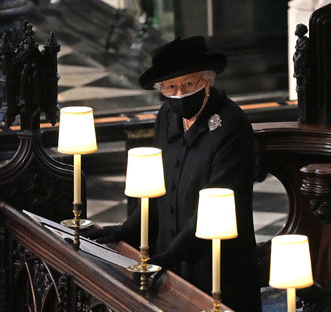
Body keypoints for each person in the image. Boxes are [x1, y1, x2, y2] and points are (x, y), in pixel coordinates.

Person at [88, 36, 262, 312]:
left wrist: (172, 255)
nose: (179, 93)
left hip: (213, 260)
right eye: (170, 87)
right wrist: (125, 229)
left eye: (187, 84)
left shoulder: (231, 125)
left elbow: (217, 203)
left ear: (207, 81)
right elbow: (157, 189)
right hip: (167, 256)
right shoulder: (167, 116)